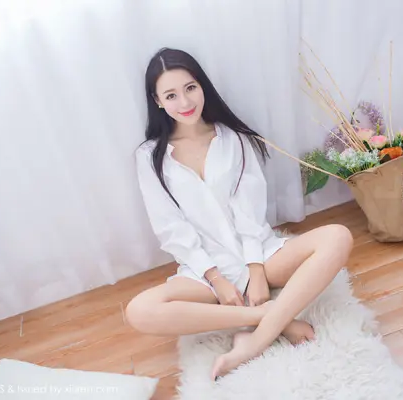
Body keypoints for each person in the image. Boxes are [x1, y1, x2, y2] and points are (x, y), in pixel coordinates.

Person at [126, 48, 353, 380]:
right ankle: (266, 316)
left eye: (190, 88)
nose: (185, 102)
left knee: (338, 236)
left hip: (260, 254)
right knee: (139, 310)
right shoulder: (150, 158)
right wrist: (216, 279)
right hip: (204, 272)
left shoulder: (233, 139)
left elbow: (249, 210)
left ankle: (256, 341)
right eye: (171, 95)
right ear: (157, 101)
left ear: (202, 86)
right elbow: (171, 228)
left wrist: (256, 270)